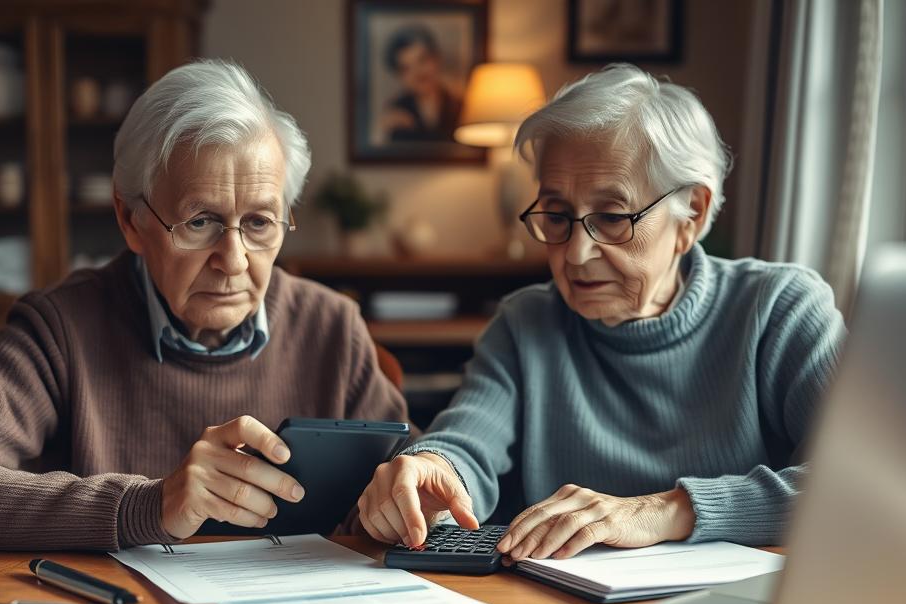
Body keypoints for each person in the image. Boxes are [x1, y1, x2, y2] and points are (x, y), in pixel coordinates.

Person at [0, 60, 408, 550]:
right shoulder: (61, 330)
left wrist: (418, 487)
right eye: (200, 222)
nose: (234, 261)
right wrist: (141, 506)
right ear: (132, 221)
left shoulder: (332, 325)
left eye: (260, 223)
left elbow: (410, 480)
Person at [357, 64, 846, 559]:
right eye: (556, 216)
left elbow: (857, 485)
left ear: (692, 214)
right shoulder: (526, 323)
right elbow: (466, 442)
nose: (574, 255)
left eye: (612, 217)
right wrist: (431, 467)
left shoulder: (780, 309)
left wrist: (663, 510)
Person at [380, 25, 463, 143]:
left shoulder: (460, 106)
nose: (418, 73)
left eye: (422, 60)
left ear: (437, 59)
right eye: (406, 68)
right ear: (399, 76)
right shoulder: (395, 111)